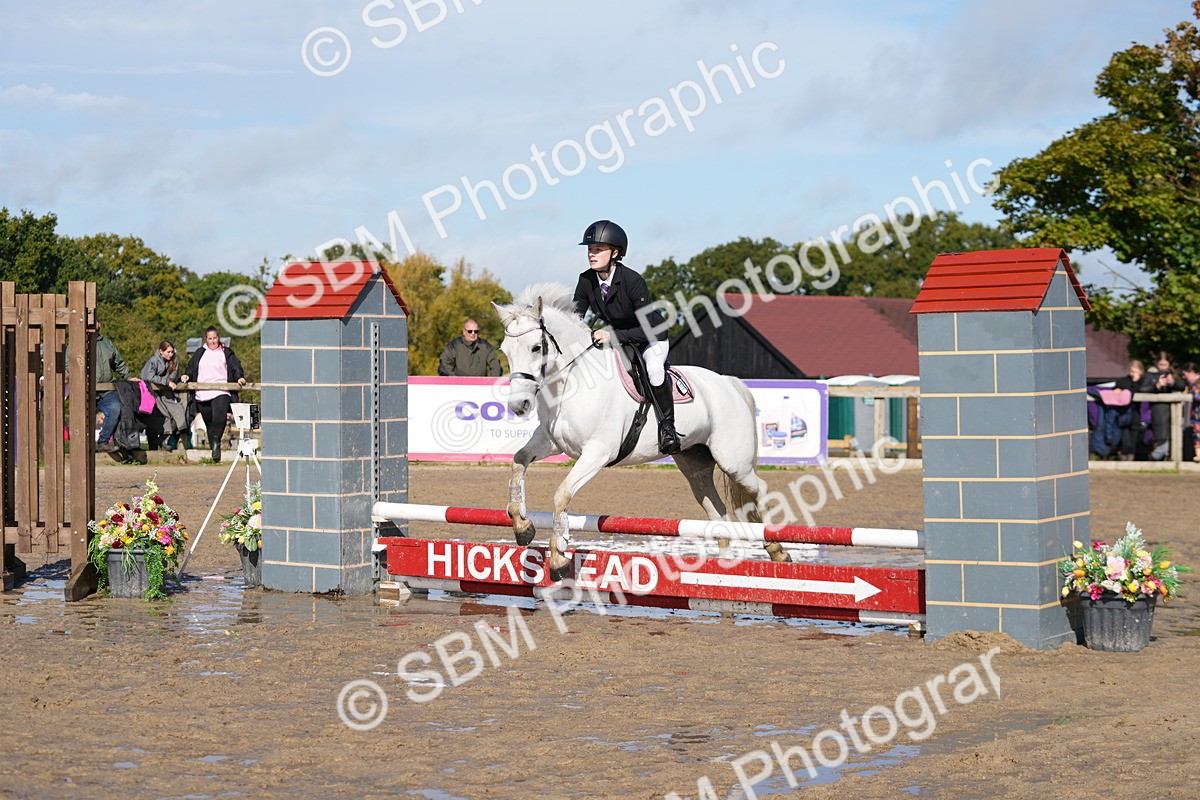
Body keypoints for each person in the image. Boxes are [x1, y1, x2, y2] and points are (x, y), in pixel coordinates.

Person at [571, 219, 681, 454]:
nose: (591, 254)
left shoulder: (632, 281)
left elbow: (646, 328)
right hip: (619, 338)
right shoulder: (585, 280)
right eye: (590, 249)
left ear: (615, 253)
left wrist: (611, 335)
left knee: (654, 369)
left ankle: (668, 428)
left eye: (598, 249)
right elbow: (574, 318)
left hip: (650, 337)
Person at [179, 327, 246, 463]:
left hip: (222, 390)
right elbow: (191, 367)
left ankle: (216, 443)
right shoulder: (200, 352)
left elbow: (235, 367)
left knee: (219, 417)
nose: (213, 341)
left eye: (215, 338)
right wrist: (187, 375)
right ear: (206, 340)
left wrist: (239, 377)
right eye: (210, 338)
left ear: (218, 338)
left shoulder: (226, 352)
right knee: (209, 422)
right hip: (202, 392)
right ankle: (214, 451)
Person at [140, 340, 188, 451]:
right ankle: (159, 441)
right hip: (151, 392)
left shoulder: (174, 361)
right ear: (161, 351)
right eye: (168, 352)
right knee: (163, 415)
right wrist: (166, 382)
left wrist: (179, 378)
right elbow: (149, 377)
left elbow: (173, 377)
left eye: (172, 352)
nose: (170, 354)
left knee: (178, 411)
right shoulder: (154, 360)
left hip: (166, 391)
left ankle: (167, 437)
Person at [94, 320, 132, 454]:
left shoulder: (107, 343)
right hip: (84, 390)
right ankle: (81, 447)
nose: (94, 324)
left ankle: (104, 443)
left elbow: (119, 363)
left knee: (116, 408)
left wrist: (128, 377)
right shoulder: (77, 343)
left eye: (96, 321)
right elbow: (69, 364)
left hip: (105, 390)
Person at [1145, 351, 1181, 461]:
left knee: (1173, 435)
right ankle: (1155, 457)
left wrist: (1172, 383)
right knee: (1160, 436)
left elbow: (1182, 386)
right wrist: (1157, 385)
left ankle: (1165, 457)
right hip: (1157, 411)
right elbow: (1142, 388)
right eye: (1161, 364)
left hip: (1174, 412)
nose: (1163, 367)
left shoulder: (1173, 374)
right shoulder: (1150, 374)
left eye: (1165, 364)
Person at [1181, 361, 1200, 462]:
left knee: (1198, 436)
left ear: (1192, 372)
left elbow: (1197, 397)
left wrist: (1192, 393)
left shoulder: (1196, 384)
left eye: (1185, 374)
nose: (1184, 377)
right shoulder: (1191, 385)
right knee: (1197, 437)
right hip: (1195, 417)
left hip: (1197, 417)